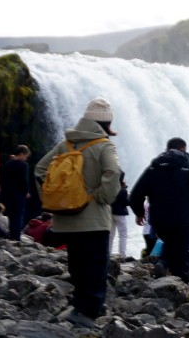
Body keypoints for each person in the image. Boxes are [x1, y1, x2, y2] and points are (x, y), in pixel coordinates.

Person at [34, 97, 123, 326]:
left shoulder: (67, 144)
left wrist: (52, 198)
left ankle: (77, 305)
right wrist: (103, 197)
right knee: (95, 265)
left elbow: (40, 170)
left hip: (65, 219)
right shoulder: (104, 145)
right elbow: (113, 172)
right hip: (93, 219)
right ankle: (87, 312)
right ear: (106, 123)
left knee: (77, 262)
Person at [128, 137, 189, 282]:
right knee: (181, 252)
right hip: (182, 219)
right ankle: (180, 285)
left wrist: (139, 213)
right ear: (183, 149)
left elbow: (136, 193)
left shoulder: (154, 167)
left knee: (169, 242)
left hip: (159, 220)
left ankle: (163, 264)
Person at [0, 145, 34, 240]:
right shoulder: (23, 165)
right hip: (19, 194)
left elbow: (4, 179)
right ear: (22, 154)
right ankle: (16, 237)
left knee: (11, 215)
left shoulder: (7, 164)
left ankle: (12, 235)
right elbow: (24, 180)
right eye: (26, 156)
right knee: (18, 215)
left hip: (8, 193)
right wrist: (26, 191)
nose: (26, 158)